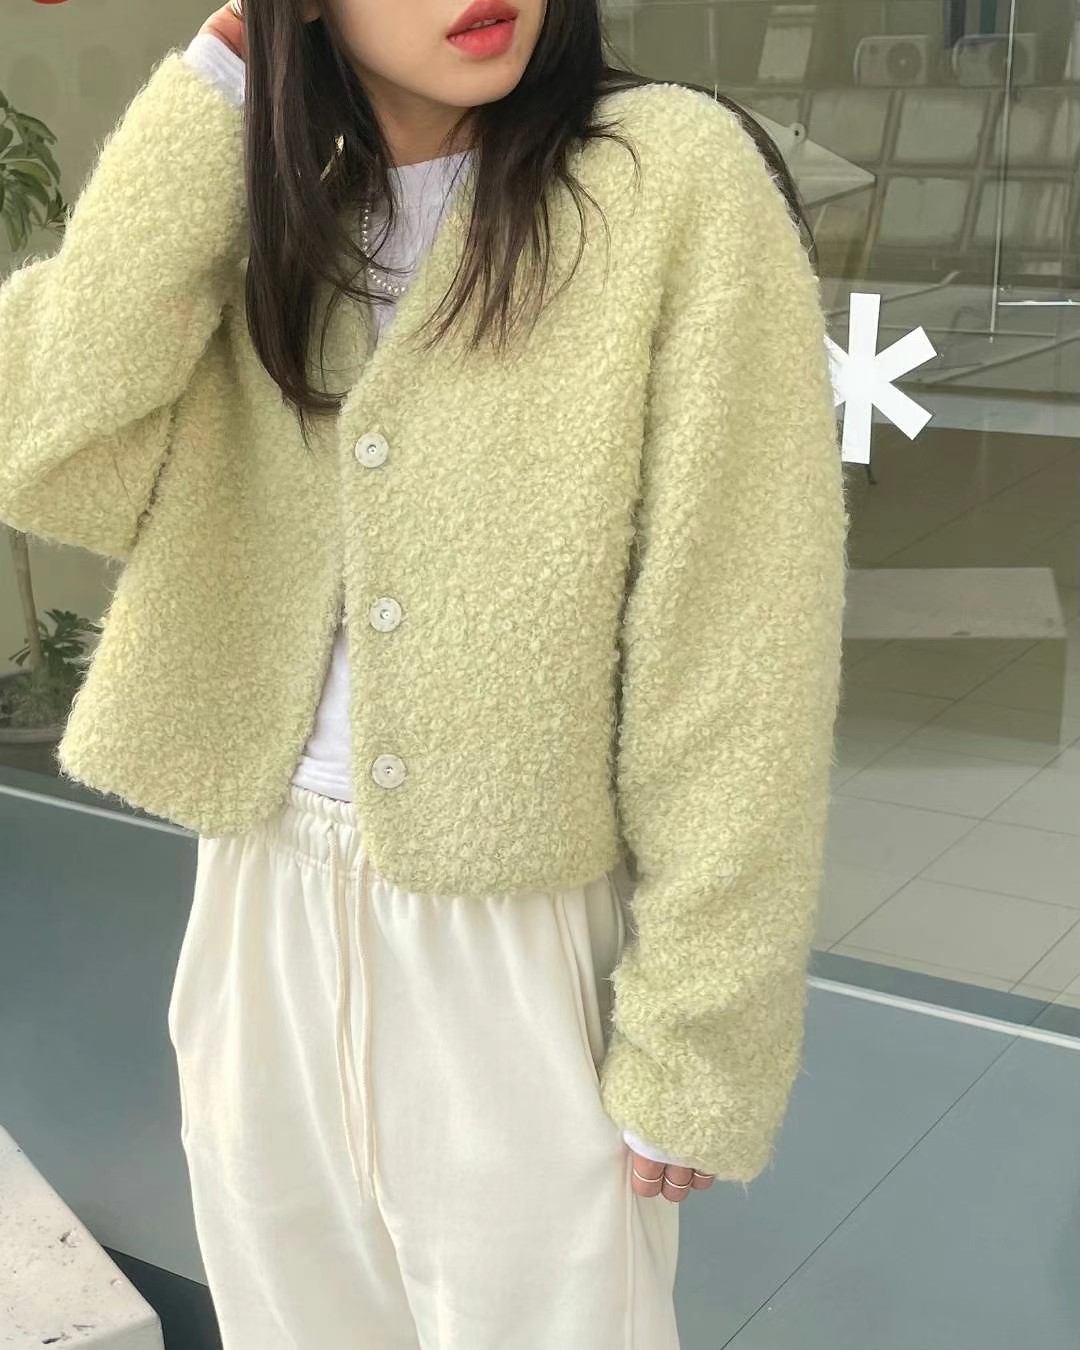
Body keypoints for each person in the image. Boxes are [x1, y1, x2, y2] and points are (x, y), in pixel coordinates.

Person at [0, 0, 848, 1344]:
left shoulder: (669, 177)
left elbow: (738, 649)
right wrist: (208, 99)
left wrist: (704, 1029)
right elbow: (41, 444)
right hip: (259, 903)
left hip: (514, 925)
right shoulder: (266, 212)